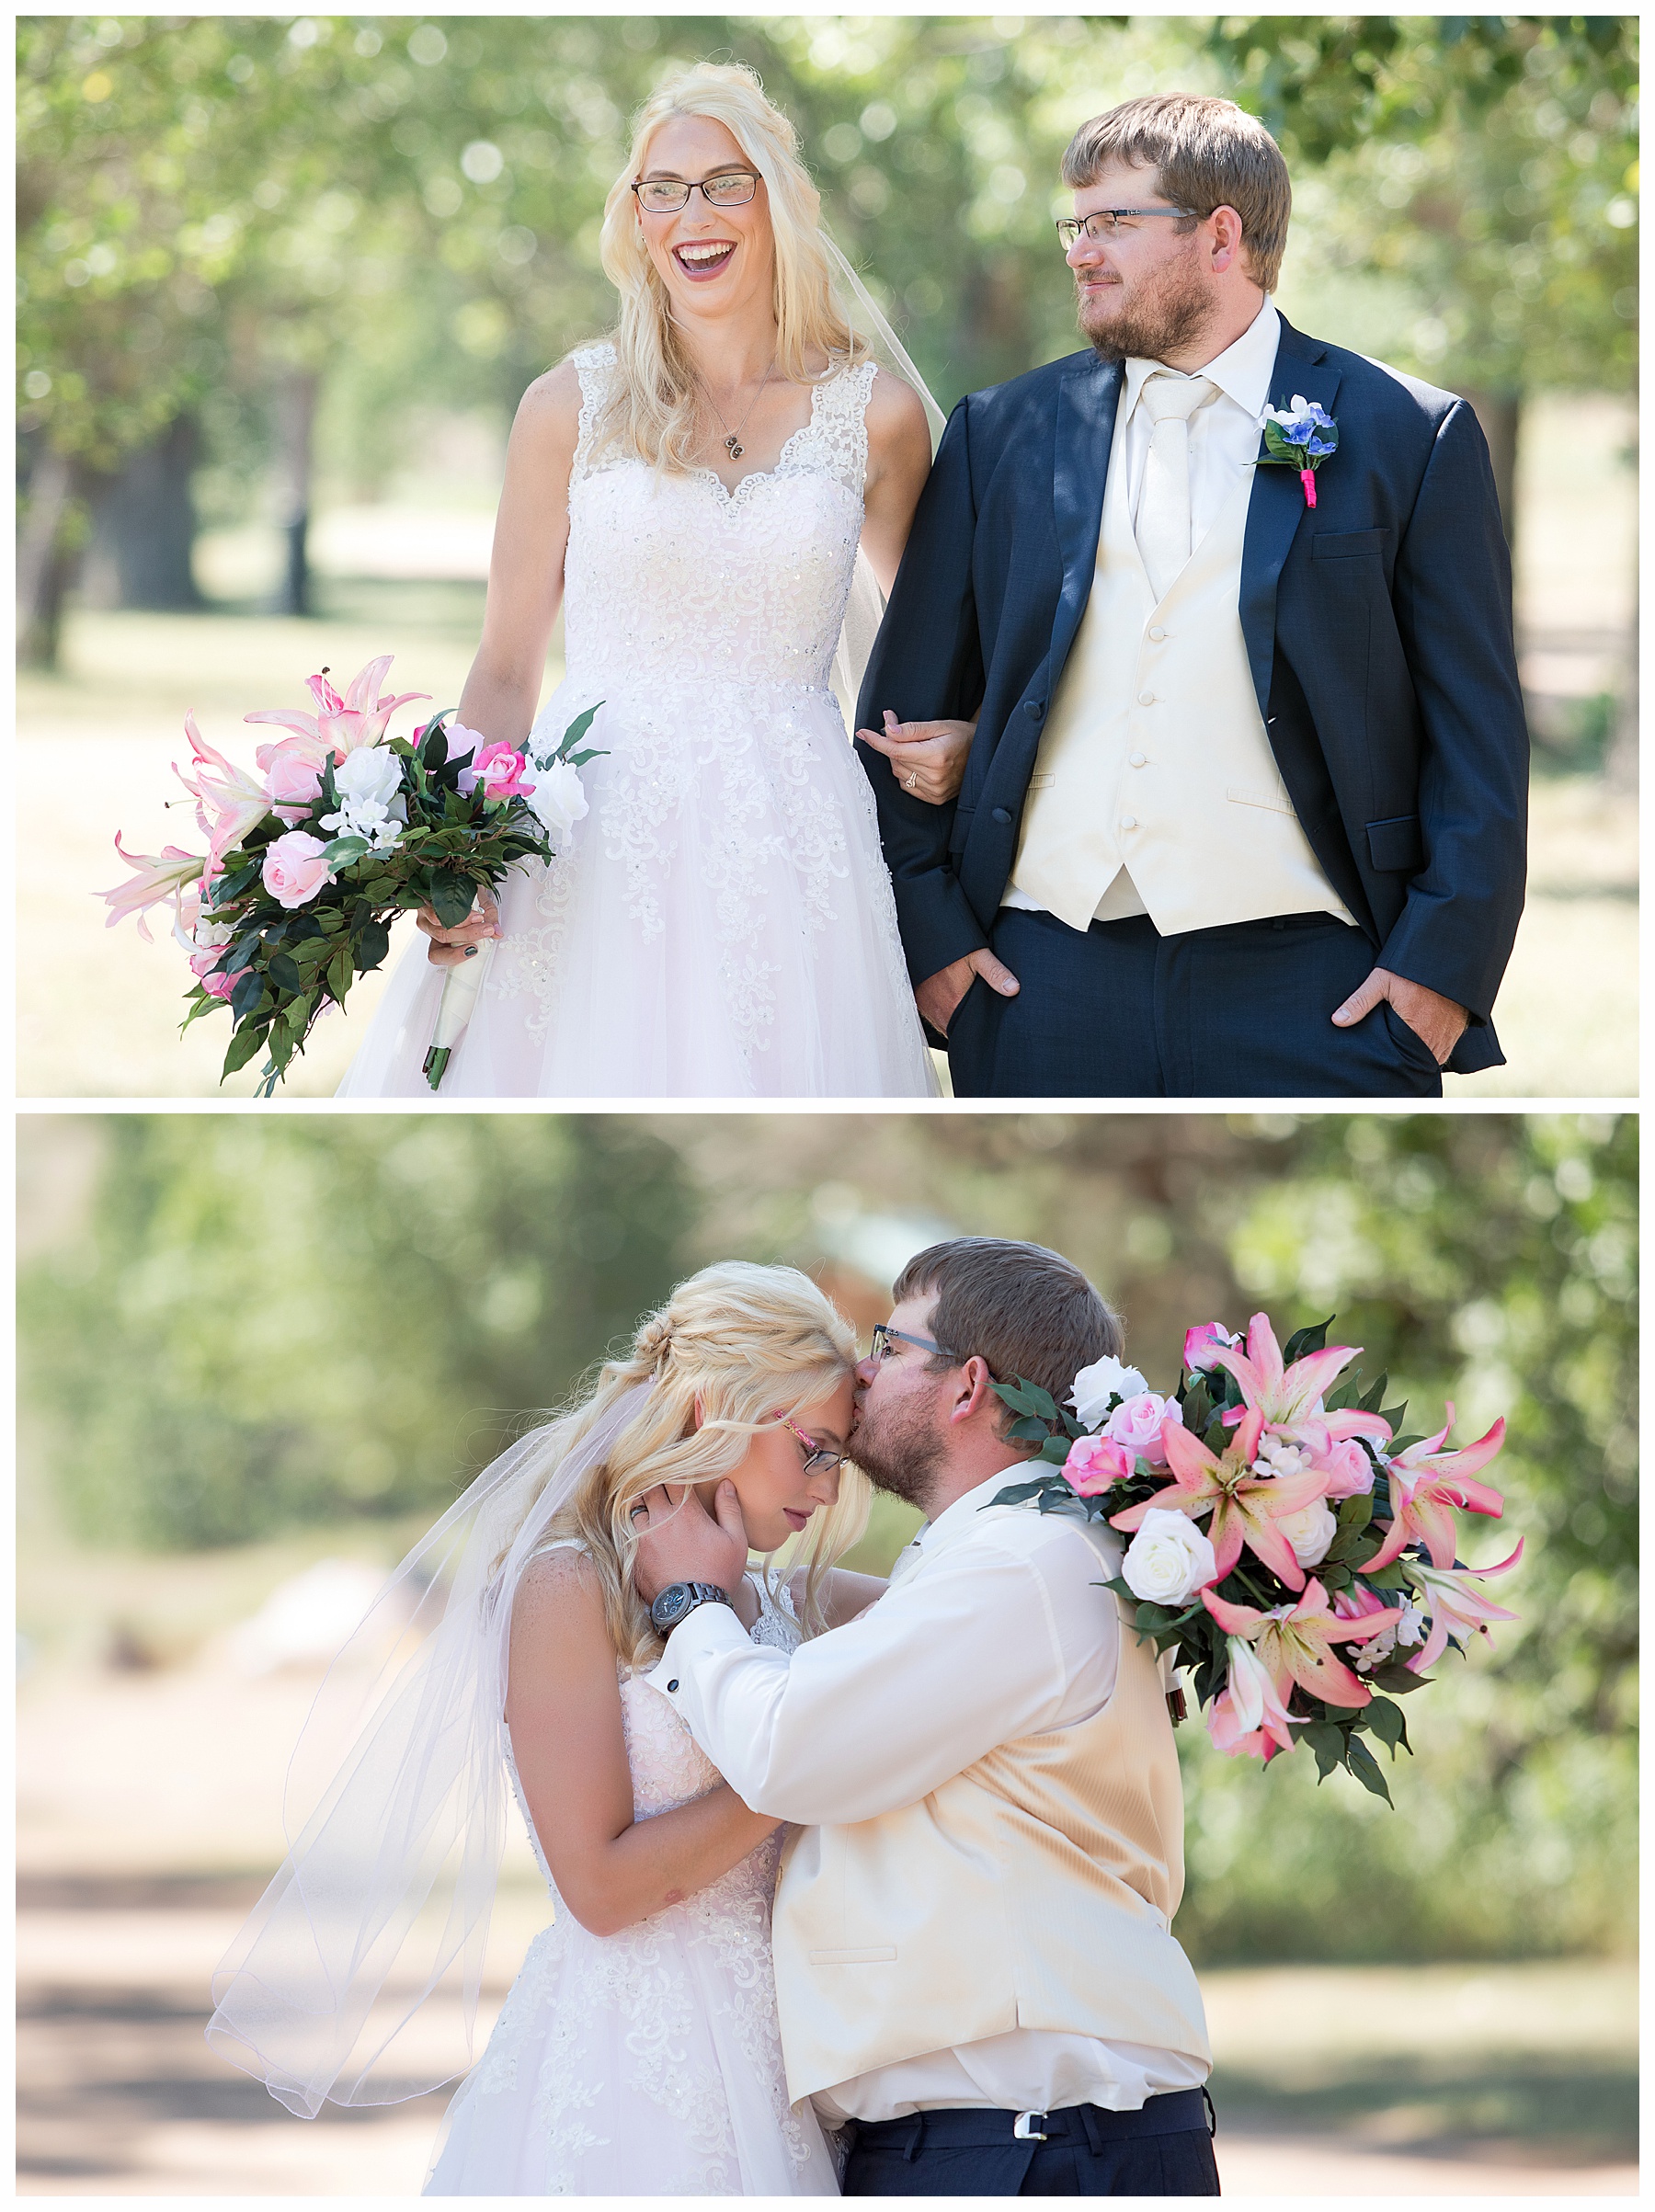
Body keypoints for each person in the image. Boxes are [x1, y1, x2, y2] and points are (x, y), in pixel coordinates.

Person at [854, 94, 1528, 1098]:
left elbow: (1477, 741)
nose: (1082, 251)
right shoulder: (1002, 434)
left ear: (1221, 236)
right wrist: (935, 943)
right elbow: (902, 712)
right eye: (1074, 226)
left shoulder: (1405, 435)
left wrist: (1436, 976)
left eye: (1115, 222)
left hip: (1318, 992)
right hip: (1042, 982)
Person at [337, 62, 970, 1099]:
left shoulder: (877, 416)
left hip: (797, 835)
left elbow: (936, 660)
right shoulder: (565, 408)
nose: (693, 214)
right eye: (662, 190)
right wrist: (452, 867)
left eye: (726, 183)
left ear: (779, 203)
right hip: (589, 832)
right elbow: (503, 666)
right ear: (636, 221)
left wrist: (961, 738)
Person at [206, 1261, 888, 2195]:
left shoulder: (786, 1599)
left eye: (838, 1459)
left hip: (788, 2060)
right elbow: (599, 1889)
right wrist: (810, 1769)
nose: (824, 1485)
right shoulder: (568, 1588)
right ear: (713, 1411)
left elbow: (956, 1620)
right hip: (634, 2068)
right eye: (813, 1447)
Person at [633, 1237, 1219, 2198]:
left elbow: (788, 1752)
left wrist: (690, 1605)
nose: (863, 1371)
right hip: (1018, 2140)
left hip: (1025, 2149)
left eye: (891, 1347)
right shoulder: (1011, 1547)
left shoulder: (1024, 1559)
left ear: (966, 1384)